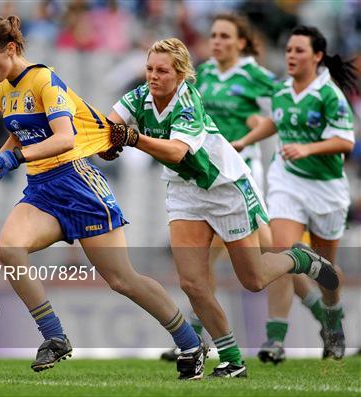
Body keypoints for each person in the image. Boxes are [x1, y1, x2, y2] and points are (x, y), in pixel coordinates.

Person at [0, 15, 207, 380]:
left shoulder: (44, 79)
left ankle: (190, 342)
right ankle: (54, 337)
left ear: (9, 49)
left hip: (77, 183)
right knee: (9, 248)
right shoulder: (2, 89)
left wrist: (15, 157)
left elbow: (64, 138)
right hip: (41, 189)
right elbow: (19, 134)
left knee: (121, 279)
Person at [104, 37, 340, 378]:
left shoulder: (188, 101)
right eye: (150, 69)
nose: (153, 77)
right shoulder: (138, 96)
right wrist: (106, 144)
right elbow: (108, 128)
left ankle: (300, 258)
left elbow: (177, 152)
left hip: (226, 188)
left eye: (162, 71)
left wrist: (132, 138)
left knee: (254, 279)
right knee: (192, 282)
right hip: (185, 192)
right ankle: (231, 360)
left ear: (182, 74)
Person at [231, 25, 356, 362]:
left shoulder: (329, 94)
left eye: (299, 50)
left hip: (327, 190)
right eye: (288, 49)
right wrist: (246, 139)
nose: (290, 55)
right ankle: (276, 338)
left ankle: (333, 322)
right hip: (287, 181)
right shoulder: (283, 89)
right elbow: (276, 121)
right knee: (282, 253)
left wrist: (309, 148)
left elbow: (346, 141)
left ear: (317, 56)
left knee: (329, 271)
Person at [160, 13, 277, 362]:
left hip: (239, 173)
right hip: (202, 178)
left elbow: (282, 112)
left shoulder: (258, 77)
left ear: (241, 42)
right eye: (213, 35)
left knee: (266, 256)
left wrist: (253, 129)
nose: (217, 42)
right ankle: (196, 336)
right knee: (200, 267)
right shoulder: (203, 75)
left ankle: (318, 300)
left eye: (225, 36)